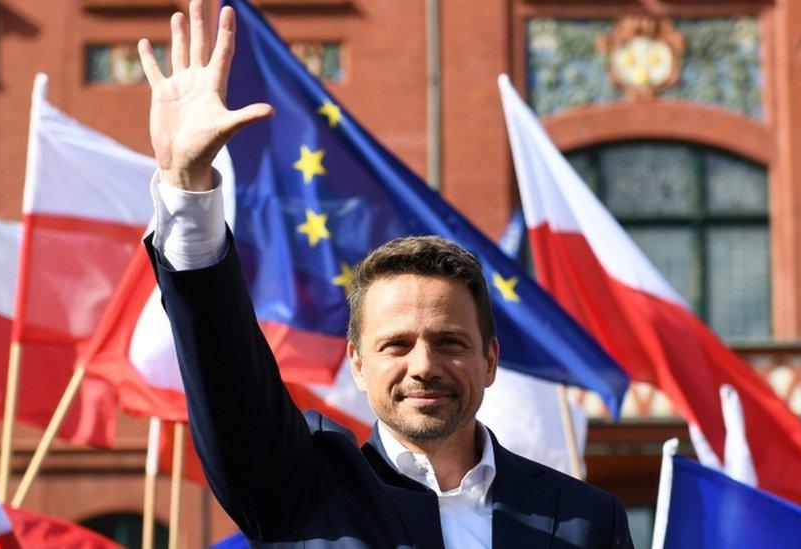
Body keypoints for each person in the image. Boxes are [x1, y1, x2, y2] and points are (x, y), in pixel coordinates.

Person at [138, 2, 633, 547]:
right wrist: (187, 188)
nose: (424, 366)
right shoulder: (300, 492)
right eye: (396, 345)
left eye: (449, 342)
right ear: (356, 361)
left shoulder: (588, 520)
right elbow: (227, 375)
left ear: (490, 359)